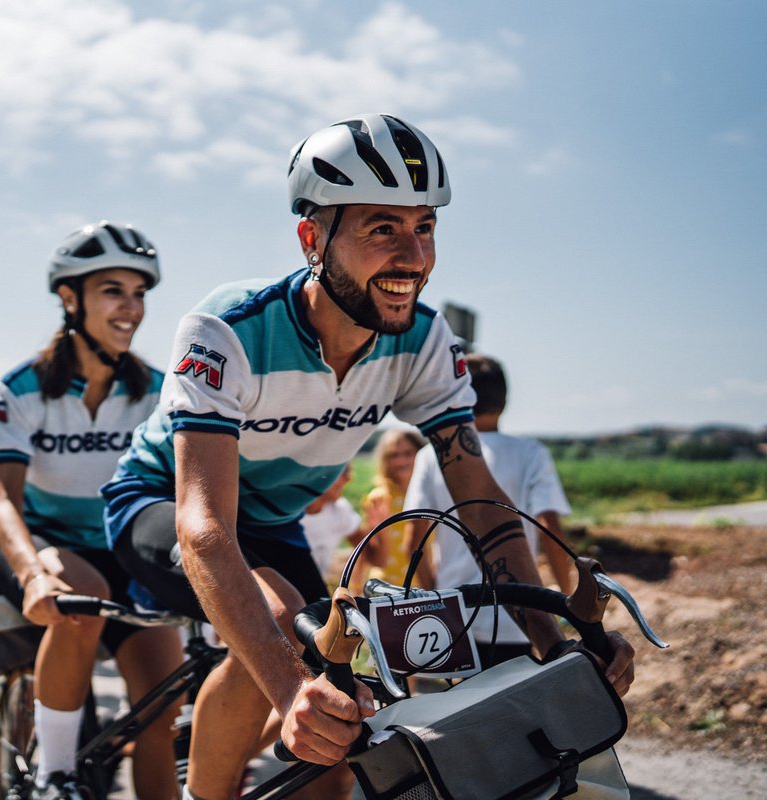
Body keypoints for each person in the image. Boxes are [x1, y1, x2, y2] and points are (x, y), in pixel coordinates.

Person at [103, 113, 636, 800]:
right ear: (312, 238)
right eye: (382, 228)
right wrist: (293, 691)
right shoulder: (227, 328)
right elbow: (204, 528)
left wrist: (552, 644)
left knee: (342, 682)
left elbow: (482, 507)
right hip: (161, 501)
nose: (412, 257)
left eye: (425, 227)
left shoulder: (422, 339)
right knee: (284, 636)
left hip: (269, 525)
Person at [0, 222, 182, 800]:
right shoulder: (20, 389)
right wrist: (30, 574)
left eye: (140, 293)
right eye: (113, 291)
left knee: (161, 705)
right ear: (69, 299)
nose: (132, 308)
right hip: (43, 546)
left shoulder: (159, 390)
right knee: (80, 600)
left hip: (123, 550)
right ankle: (55, 778)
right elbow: (3, 499)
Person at [404, 353, 577, 664]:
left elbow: (412, 540)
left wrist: (435, 599)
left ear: (459, 395)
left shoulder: (432, 456)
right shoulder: (531, 454)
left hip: (455, 616)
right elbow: (550, 528)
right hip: (520, 617)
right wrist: (564, 600)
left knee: (459, 709)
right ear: (505, 400)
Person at [356, 428, 425, 589]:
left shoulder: (430, 495)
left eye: (408, 453)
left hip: (424, 583)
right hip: (387, 586)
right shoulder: (379, 498)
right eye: (394, 455)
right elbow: (372, 555)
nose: (402, 461)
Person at [299, 464, 360, 586]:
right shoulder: (287, 514)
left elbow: (373, 556)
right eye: (341, 473)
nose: (348, 479)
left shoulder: (341, 510)